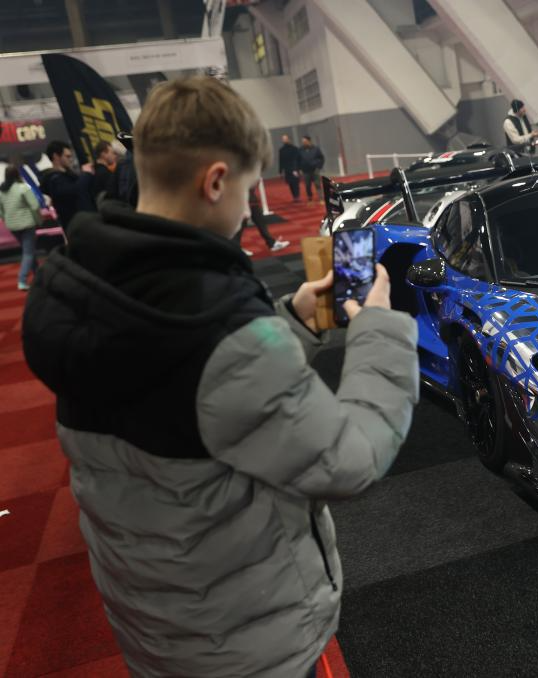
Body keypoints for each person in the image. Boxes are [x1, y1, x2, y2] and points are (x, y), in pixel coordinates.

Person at [21, 76, 419, 678]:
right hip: (245, 637)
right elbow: (348, 460)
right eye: (247, 187)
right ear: (214, 182)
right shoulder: (217, 327)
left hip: (156, 618)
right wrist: (379, 330)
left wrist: (287, 323)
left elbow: (190, 394)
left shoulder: (82, 281)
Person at [0, 165, 42, 290]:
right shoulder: (23, 187)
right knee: (28, 252)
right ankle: (22, 280)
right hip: (27, 223)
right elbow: (35, 206)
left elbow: (1, 211)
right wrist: (39, 219)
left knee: (29, 250)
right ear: (17, 174)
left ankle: (39, 275)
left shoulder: (2, 190)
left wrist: (7, 220)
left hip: (12, 225)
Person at [39, 140, 95, 228]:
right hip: (77, 224)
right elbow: (73, 191)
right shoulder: (54, 179)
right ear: (56, 156)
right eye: (67, 156)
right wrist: (86, 175)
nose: (71, 159)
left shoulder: (68, 176)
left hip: (85, 220)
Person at [234, 186, 290, 254]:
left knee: (260, 221)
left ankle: (271, 243)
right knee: (241, 224)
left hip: (251, 200)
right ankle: (236, 248)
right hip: (242, 200)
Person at [90, 140, 118, 204]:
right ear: (103, 154)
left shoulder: (94, 171)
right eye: (113, 153)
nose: (115, 156)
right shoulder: (104, 173)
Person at [300, 135, 325, 202]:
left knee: (318, 184)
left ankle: (321, 198)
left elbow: (321, 158)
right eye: (303, 142)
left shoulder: (316, 149)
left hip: (315, 170)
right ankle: (310, 198)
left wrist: (318, 167)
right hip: (305, 171)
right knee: (307, 185)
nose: (304, 143)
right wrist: (300, 169)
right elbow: (298, 160)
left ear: (309, 141)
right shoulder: (300, 150)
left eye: (305, 141)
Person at [279, 133, 302, 202]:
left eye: (285, 139)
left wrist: (299, 168)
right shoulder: (281, 150)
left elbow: (298, 159)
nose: (284, 140)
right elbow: (281, 161)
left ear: (289, 139)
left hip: (295, 169)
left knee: (295, 183)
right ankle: (294, 197)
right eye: (283, 139)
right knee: (290, 184)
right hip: (287, 170)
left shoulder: (295, 148)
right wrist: (280, 171)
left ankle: (297, 196)